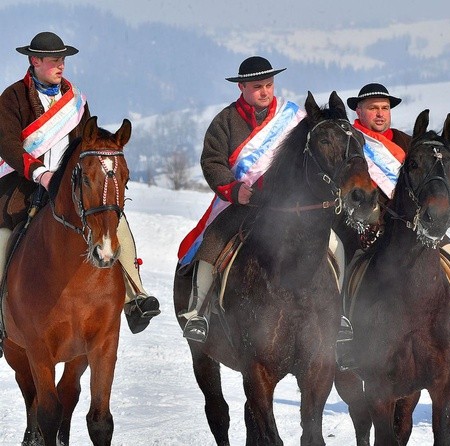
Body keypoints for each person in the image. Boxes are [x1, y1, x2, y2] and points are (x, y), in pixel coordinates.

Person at [0, 32, 161, 350]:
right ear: (35, 61)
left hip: (70, 188)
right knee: (2, 241)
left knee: (116, 224)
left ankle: (135, 297)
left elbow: (85, 145)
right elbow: (7, 143)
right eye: (54, 60)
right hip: (22, 186)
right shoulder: (13, 98)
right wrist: (39, 172)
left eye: (63, 59)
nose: (61, 65)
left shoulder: (76, 102)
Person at [339, 83, 450, 353]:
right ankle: (344, 323)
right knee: (344, 260)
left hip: (410, 225)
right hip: (362, 225)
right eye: (373, 108)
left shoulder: (407, 143)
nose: (380, 114)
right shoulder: (350, 141)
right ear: (358, 110)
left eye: (384, 108)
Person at [178, 56, 305, 342]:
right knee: (213, 241)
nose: (265, 92)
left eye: (269, 85)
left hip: (288, 205)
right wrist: (235, 190)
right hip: (243, 204)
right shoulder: (224, 121)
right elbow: (212, 162)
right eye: (258, 86)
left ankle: (337, 313)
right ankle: (197, 312)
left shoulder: (294, 118)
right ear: (242, 88)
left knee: (330, 242)